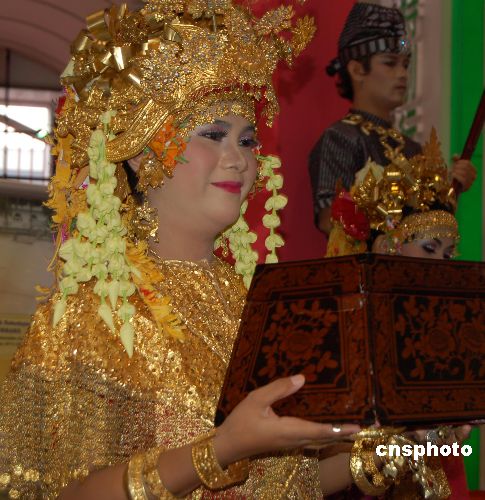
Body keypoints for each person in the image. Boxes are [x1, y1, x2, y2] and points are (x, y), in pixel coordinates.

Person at [0, 2, 365, 499]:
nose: (238, 159)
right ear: (143, 152)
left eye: (247, 140)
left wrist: (397, 450)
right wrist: (219, 450)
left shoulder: (263, 309)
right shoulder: (90, 318)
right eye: (213, 135)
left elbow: (287, 482)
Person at [326, 128, 473, 499]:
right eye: (429, 249)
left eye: (448, 254)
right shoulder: (350, 332)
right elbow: (326, 456)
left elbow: (444, 446)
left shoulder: (443, 332)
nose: (440, 265)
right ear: (387, 247)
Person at [308, 2, 476, 235]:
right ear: (357, 70)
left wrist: (449, 189)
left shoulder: (412, 148)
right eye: (390, 63)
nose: (402, 74)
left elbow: (426, 231)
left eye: (405, 65)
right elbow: (330, 220)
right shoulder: (341, 138)